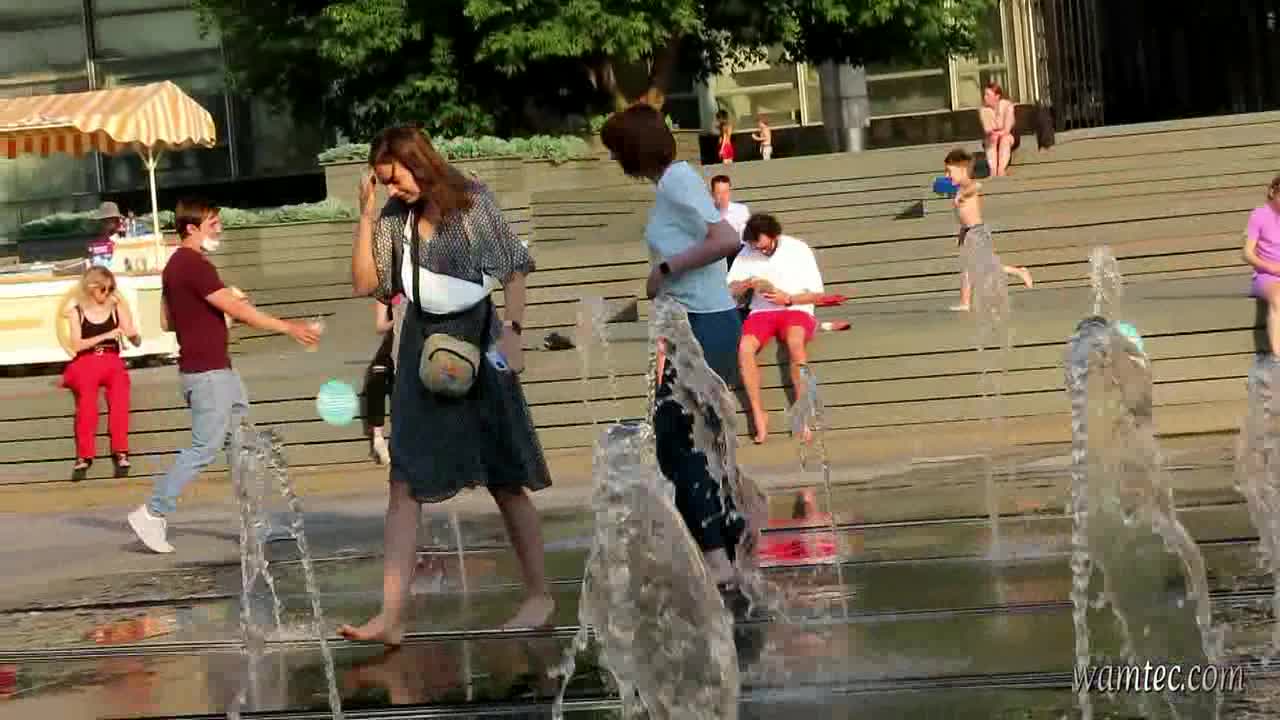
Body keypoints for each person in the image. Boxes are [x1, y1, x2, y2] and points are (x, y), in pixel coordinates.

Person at [343, 126, 556, 643]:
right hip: (421, 344)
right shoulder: (393, 216)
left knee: (505, 476)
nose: (394, 189)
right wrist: (366, 214)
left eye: (396, 179)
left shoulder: (472, 201)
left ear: (419, 162)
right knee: (403, 481)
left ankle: (540, 596)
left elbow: (514, 270)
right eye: (384, 182)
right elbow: (366, 284)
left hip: (480, 338)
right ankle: (391, 616)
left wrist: (514, 334)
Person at [600, 104, 746, 590]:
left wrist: (665, 270)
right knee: (700, 439)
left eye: (615, 149)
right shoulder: (673, 183)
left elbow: (726, 239)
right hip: (700, 324)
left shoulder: (678, 181)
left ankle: (719, 558)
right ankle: (731, 549)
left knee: (676, 440)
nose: (614, 159)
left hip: (705, 325)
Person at [127, 198, 320, 555]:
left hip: (215, 370)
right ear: (191, 228)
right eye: (212, 223)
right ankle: (152, 512)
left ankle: (254, 524)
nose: (219, 229)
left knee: (240, 446)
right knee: (205, 447)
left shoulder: (177, 265)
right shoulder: (193, 265)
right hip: (208, 374)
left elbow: (167, 321)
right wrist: (289, 327)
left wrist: (213, 309)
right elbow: (239, 312)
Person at [727, 214, 824, 445]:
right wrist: (745, 285)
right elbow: (730, 289)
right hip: (761, 311)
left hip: (796, 307)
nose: (760, 251)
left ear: (775, 235)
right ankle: (758, 414)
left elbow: (818, 295)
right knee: (745, 349)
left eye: (764, 247)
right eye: (756, 247)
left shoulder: (798, 249)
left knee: (795, 343)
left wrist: (788, 299)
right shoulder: (748, 251)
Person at [61, 266, 141, 480]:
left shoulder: (116, 307)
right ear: (91, 287)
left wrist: (133, 335)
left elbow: (135, 339)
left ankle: (121, 451)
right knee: (87, 402)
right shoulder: (76, 312)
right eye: (103, 289)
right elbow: (77, 345)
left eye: (111, 288)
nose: (107, 293)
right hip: (86, 360)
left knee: (120, 398)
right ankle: (84, 455)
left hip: (111, 359)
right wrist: (106, 335)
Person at [944, 149, 1033, 312]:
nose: (947, 175)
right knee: (968, 267)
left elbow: (977, 186)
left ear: (962, 170)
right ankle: (965, 302)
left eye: (950, 171)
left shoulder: (968, 185)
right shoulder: (959, 188)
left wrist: (963, 196)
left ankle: (1018, 271)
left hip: (977, 232)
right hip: (967, 232)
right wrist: (962, 234)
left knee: (987, 267)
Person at [364, 294, 404, 465]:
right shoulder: (387, 291)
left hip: (414, 344)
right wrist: (398, 318)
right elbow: (380, 326)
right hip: (392, 343)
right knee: (376, 377)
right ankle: (378, 438)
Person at [1243, 175, 1280, 357]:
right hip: (1267, 276)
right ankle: (1278, 356)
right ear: (1273, 192)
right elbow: (1247, 253)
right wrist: (1269, 267)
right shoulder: (1259, 215)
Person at [979, 82, 1019, 177]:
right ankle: (993, 170)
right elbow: (987, 130)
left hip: (1010, 135)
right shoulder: (983, 110)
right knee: (992, 139)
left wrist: (997, 133)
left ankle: (1001, 170)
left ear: (997, 96)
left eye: (988, 95)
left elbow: (1007, 129)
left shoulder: (1007, 106)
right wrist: (994, 134)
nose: (985, 97)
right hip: (992, 137)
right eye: (984, 94)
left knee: (1004, 139)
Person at [87, 202, 126, 268]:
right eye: (105, 221)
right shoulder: (96, 243)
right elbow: (92, 260)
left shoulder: (121, 239)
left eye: (115, 220)